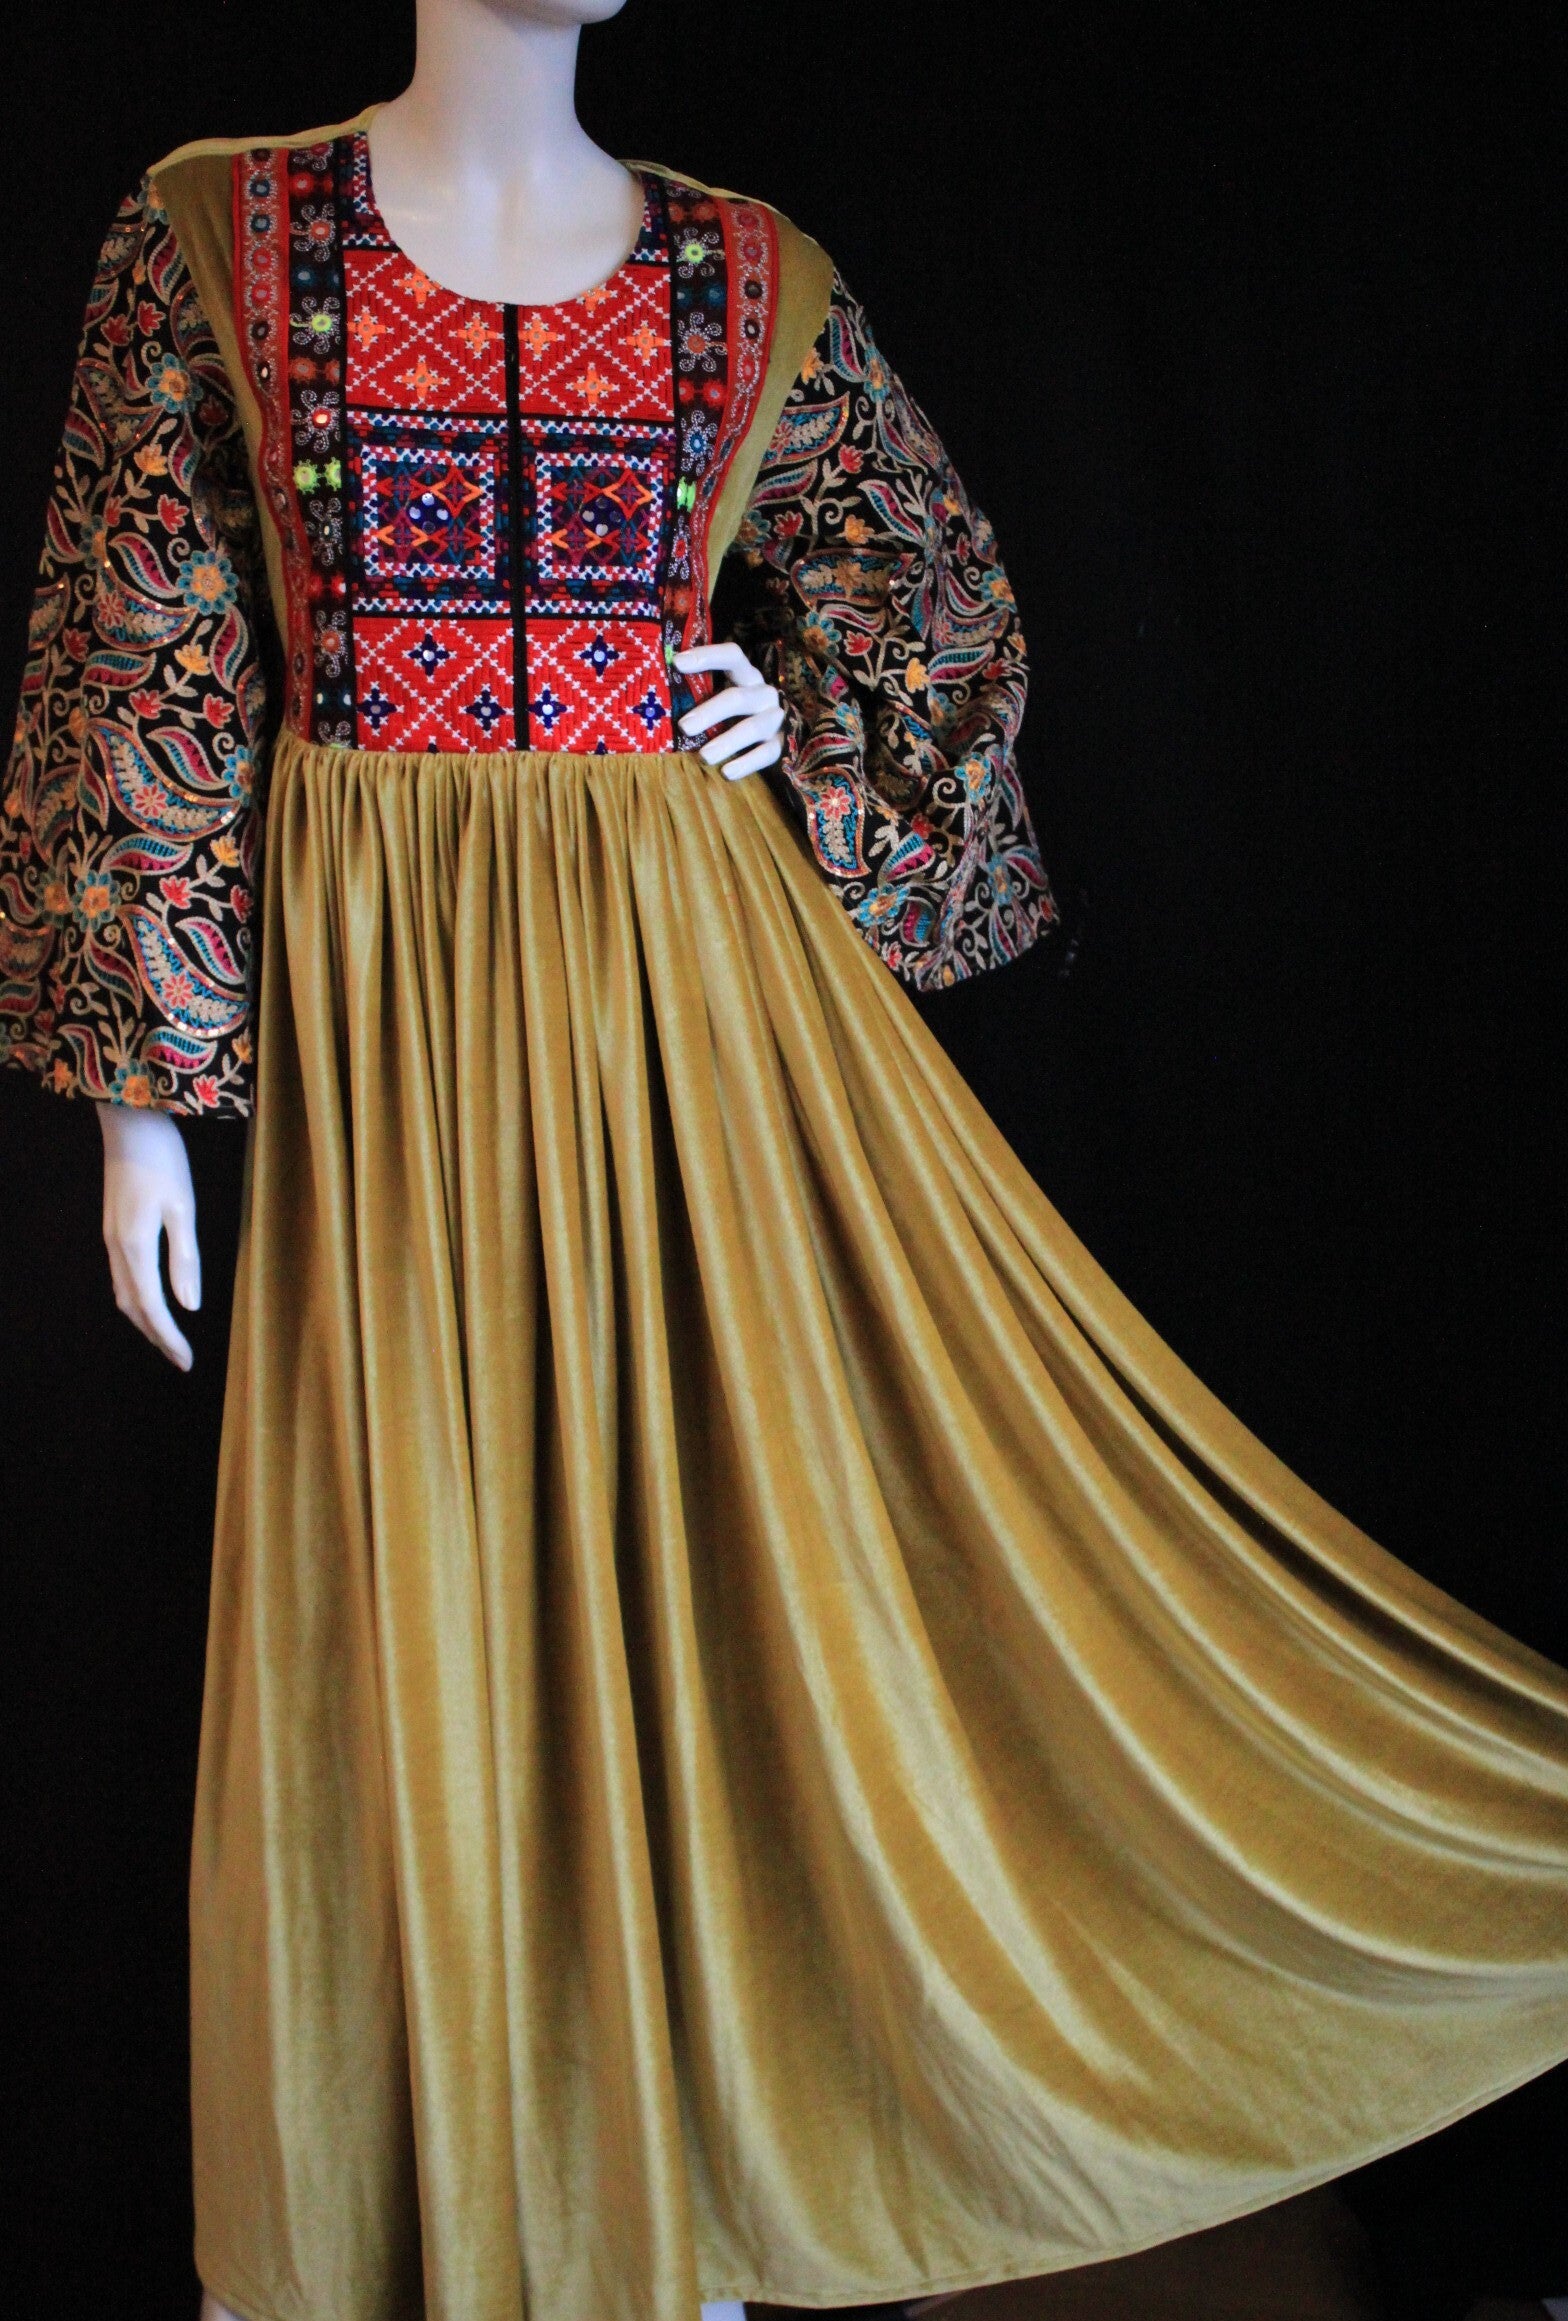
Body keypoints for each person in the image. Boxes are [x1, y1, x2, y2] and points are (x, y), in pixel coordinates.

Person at [3, 4, 1566, 2319]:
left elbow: (927, 591)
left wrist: (790, 724)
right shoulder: (219, 228)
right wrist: (144, 1094)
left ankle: (695, 2181)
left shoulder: (747, 271)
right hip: (382, 990)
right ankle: (389, 2210)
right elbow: (135, 639)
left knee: (705, 1545)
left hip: (687, 983)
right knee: (396, 1557)